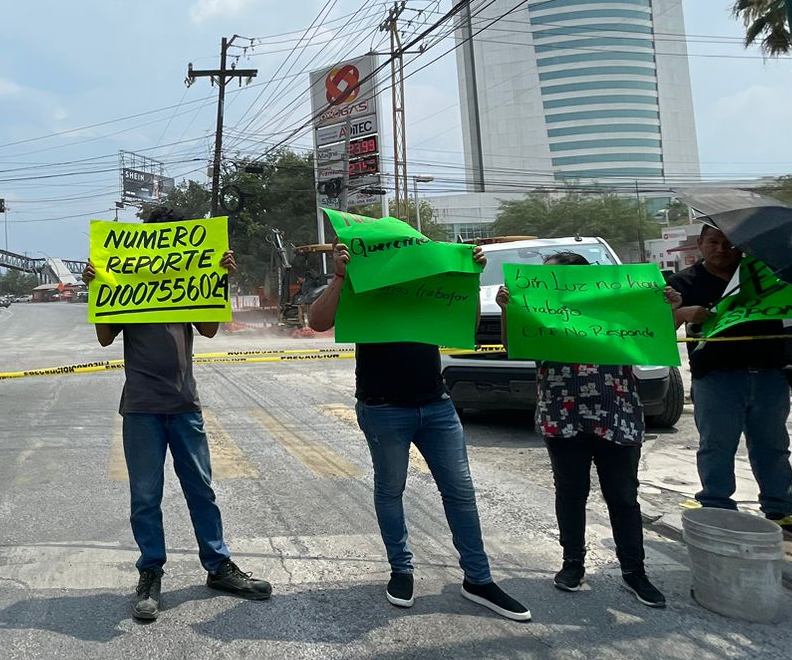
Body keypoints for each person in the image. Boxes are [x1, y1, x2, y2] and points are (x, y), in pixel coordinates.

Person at [307, 241, 531, 621]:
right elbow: (317, 321)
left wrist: (469, 279)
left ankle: (478, 579)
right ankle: (402, 569)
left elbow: (466, 327)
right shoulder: (365, 282)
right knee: (390, 490)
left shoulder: (430, 281)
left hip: (437, 404)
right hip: (382, 407)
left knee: (460, 492)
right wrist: (341, 277)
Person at [82, 209, 272, 622]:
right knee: (145, 497)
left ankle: (218, 566)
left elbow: (208, 328)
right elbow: (103, 337)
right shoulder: (127, 281)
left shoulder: (187, 282)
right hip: (141, 408)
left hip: (185, 404)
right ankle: (150, 571)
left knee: (201, 490)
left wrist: (217, 279)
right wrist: (97, 287)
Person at [495, 252, 672, 607]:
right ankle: (572, 563)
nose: (545, 285)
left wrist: (665, 307)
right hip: (563, 415)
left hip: (616, 412)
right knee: (571, 492)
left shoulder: (616, 308)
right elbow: (514, 344)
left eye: (554, 278)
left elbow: (655, 336)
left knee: (623, 496)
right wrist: (506, 310)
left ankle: (634, 571)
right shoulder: (539, 313)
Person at [670, 225, 792, 538]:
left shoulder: (764, 277)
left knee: (774, 447)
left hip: (769, 373)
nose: (722, 249)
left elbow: (790, 310)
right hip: (716, 377)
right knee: (716, 446)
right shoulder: (682, 283)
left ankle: (781, 511)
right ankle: (717, 508)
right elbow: (659, 327)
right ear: (700, 244)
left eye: (730, 243)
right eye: (713, 242)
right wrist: (683, 313)